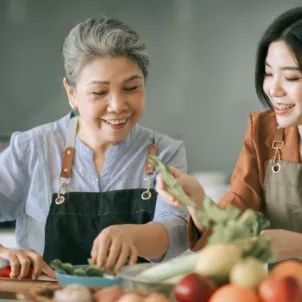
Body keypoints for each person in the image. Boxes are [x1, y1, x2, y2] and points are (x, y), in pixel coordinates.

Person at [0, 17, 189, 280]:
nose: (117, 105)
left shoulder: (165, 151)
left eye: (131, 88)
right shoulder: (32, 149)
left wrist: (133, 236)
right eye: (100, 92)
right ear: (72, 94)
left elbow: (178, 230)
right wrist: (4, 253)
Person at [156, 7, 302, 263]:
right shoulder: (264, 133)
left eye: (291, 77)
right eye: (268, 74)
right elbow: (230, 223)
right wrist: (199, 203)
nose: (273, 89)